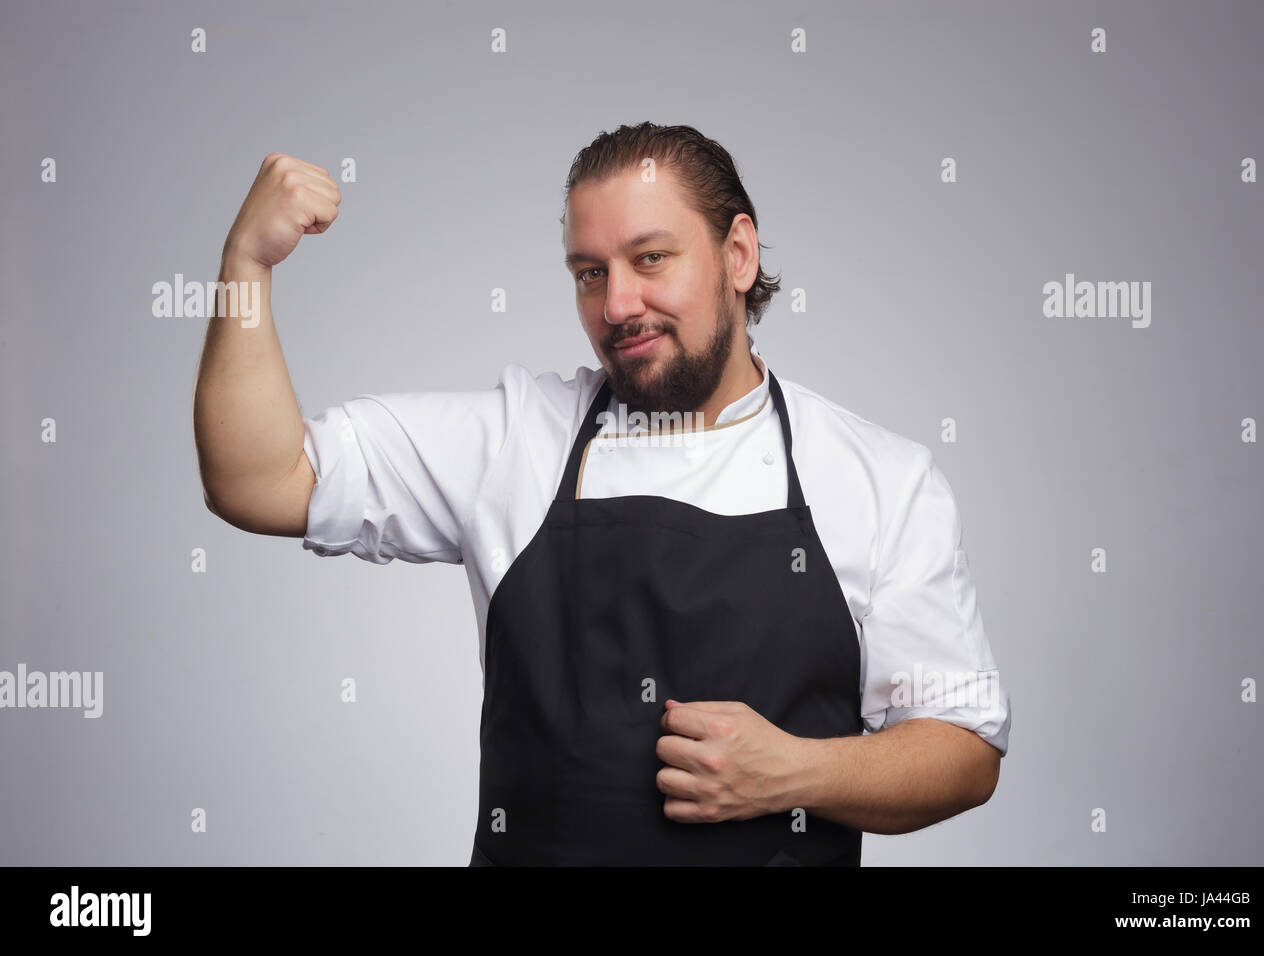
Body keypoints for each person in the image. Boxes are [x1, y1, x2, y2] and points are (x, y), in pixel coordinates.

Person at [194, 122, 1010, 867]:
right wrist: (246, 265)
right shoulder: (518, 441)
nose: (617, 304)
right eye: (591, 273)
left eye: (650, 259)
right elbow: (257, 479)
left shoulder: (878, 478)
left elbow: (965, 750)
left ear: (739, 255)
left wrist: (798, 771)